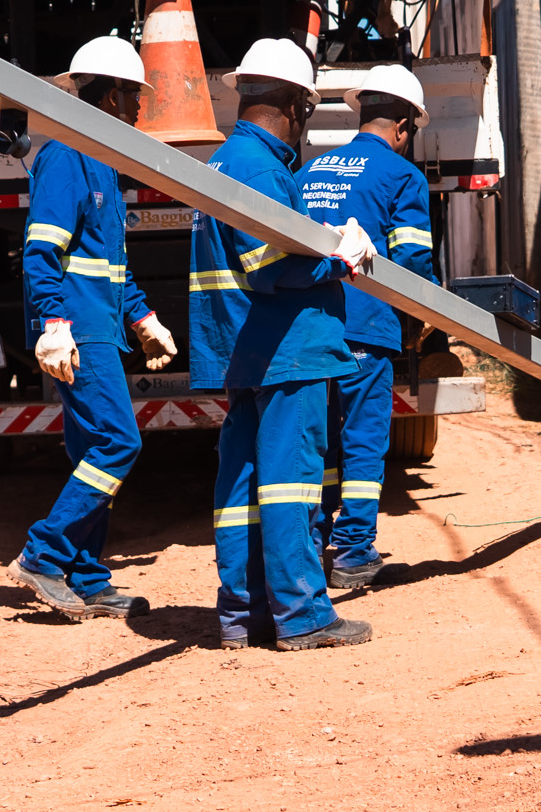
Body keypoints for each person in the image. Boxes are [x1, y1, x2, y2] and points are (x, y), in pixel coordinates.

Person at [190, 37, 377, 650]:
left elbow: (260, 255)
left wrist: (319, 237)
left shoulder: (223, 161)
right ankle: (302, 614)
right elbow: (273, 269)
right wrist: (341, 260)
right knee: (291, 483)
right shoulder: (264, 170)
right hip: (286, 347)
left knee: (244, 488)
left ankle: (243, 614)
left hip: (246, 350)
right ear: (298, 106)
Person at [9, 36, 180, 621]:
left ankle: (86, 574)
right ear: (109, 96)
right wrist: (54, 324)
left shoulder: (101, 162)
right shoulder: (68, 157)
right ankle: (44, 555)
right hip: (80, 331)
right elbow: (40, 253)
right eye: (134, 97)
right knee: (118, 441)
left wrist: (144, 318)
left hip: (100, 327)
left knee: (91, 450)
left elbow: (110, 265)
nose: (139, 110)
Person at [298, 63, 438, 588]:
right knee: (362, 439)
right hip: (365, 326)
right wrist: (416, 321)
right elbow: (413, 263)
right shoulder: (402, 175)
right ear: (403, 125)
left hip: (308, 327)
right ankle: (354, 551)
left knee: (319, 442)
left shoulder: (309, 171)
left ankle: (313, 544)